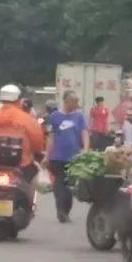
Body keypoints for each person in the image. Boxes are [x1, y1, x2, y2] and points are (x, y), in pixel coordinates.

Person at [0, 84, 46, 179]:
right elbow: (37, 143)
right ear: (19, 99)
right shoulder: (27, 119)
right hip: (22, 166)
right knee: (32, 182)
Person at [44, 90, 89, 223]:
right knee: (59, 184)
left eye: (77, 101)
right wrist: (47, 156)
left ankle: (66, 211)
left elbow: (84, 133)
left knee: (69, 186)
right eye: (74, 101)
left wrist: (85, 149)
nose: (76, 103)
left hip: (74, 158)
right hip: (57, 157)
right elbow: (50, 137)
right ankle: (61, 211)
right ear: (66, 101)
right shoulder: (54, 117)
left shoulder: (79, 117)